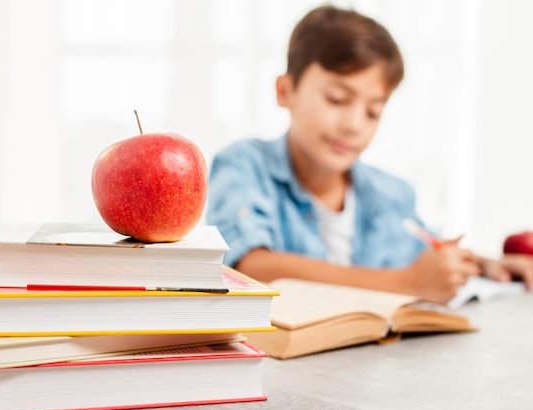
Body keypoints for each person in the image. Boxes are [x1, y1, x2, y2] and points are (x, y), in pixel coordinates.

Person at [206, 4, 533, 304]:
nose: (353, 125)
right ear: (285, 91)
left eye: (373, 112)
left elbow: (427, 250)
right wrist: (406, 284)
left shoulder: (391, 194)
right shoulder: (243, 165)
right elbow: (250, 268)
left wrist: (485, 264)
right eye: (336, 99)